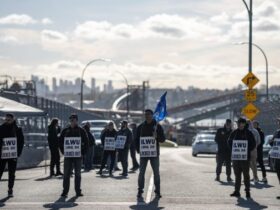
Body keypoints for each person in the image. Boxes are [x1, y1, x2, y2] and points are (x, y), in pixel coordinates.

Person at [135, 109, 166, 199]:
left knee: (156, 173)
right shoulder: (140, 127)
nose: (147, 116)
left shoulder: (157, 126)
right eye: (146, 115)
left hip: (154, 154)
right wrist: (138, 150)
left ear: (152, 115)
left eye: (149, 114)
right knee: (141, 173)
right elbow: (136, 140)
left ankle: (157, 191)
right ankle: (140, 191)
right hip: (143, 154)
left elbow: (163, 139)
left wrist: (157, 137)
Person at [59, 114, 89, 197]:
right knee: (66, 174)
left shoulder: (81, 131)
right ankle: (65, 191)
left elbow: (86, 142)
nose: (72, 122)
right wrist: (63, 152)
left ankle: (78, 191)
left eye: (74, 120)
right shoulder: (65, 131)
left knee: (78, 174)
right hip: (68, 156)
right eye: (71, 120)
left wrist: (82, 153)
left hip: (78, 157)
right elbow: (60, 142)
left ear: (77, 121)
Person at [228, 118, 256, 198]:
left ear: (244, 124)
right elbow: (229, 141)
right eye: (238, 123)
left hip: (245, 158)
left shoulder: (248, 133)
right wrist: (234, 149)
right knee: (237, 175)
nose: (239, 125)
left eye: (240, 123)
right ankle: (237, 191)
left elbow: (253, 144)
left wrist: (246, 150)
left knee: (246, 175)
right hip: (236, 158)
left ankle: (247, 191)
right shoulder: (234, 132)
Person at [0, 113, 24, 197]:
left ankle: (10, 189)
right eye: (5, 119)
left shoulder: (17, 129)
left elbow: (21, 142)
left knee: (12, 173)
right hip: (2, 155)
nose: (7, 121)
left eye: (8, 120)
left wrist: (18, 153)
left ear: (13, 119)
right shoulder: (1, 128)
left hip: (13, 155)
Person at [270, 117, 280, 199]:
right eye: (278, 121)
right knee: (278, 173)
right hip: (277, 158)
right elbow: (272, 143)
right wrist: (271, 142)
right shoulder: (277, 132)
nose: (279, 123)